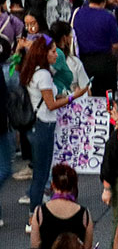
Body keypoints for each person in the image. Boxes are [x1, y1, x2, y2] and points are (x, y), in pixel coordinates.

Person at [23, 36, 88, 218]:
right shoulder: (43, 75)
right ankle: (33, 216)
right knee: (41, 175)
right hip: (43, 125)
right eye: (52, 51)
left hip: (41, 125)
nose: (55, 54)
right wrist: (72, 97)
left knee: (42, 172)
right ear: (44, 53)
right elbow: (50, 104)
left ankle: (35, 212)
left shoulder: (36, 71)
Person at [30, 165, 93, 249]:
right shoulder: (85, 213)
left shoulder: (39, 212)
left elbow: (35, 245)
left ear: (53, 184)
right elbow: (88, 246)